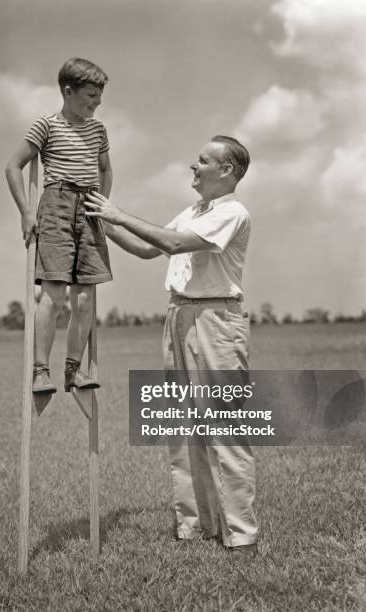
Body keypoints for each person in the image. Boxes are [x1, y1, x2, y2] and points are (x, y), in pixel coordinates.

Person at [85, 135, 258, 556]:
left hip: (215, 320)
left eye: (202, 161)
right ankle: (194, 527)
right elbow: (150, 247)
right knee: (183, 426)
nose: (192, 167)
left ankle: (241, 535)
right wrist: (103, 224)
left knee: (224, 427)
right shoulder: (193, 211)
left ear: (227, 170)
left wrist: (119, 213)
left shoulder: (232, 212)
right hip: (179, 315)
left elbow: (176, 243)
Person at [5, 58, 113, 394]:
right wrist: (26, 212)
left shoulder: (98, 130)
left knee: (85, 301)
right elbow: (12, 167)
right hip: (56, 204)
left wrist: (102, 206)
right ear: (68, 91)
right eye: (91, 95)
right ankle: (41, 371)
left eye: (99, 96)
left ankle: (74, 371)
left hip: (90, 208)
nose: (97, 102)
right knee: (53, 296)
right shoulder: (46, 126)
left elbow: (106, 170)